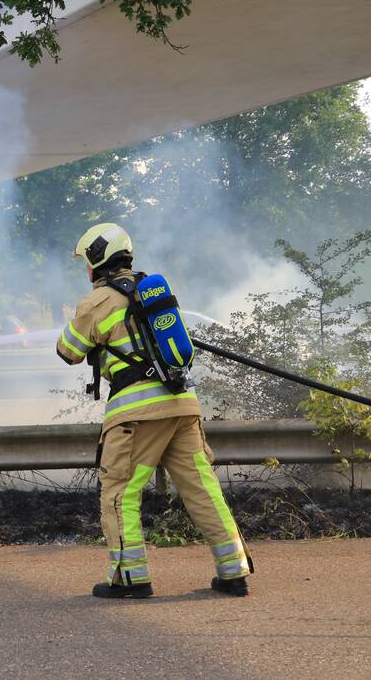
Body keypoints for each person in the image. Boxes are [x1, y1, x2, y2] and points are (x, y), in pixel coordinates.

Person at [56, 223, 252, 599]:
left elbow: (68, 351)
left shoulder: (96, 303)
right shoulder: (151, 293)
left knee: (120, 492)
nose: (85, 269)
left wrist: (79, 320)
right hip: (182, 404)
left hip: (136, 414)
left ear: (97, 260)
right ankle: (234, 570)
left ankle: (130, 577)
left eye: (86, 261)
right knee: (201, 487)